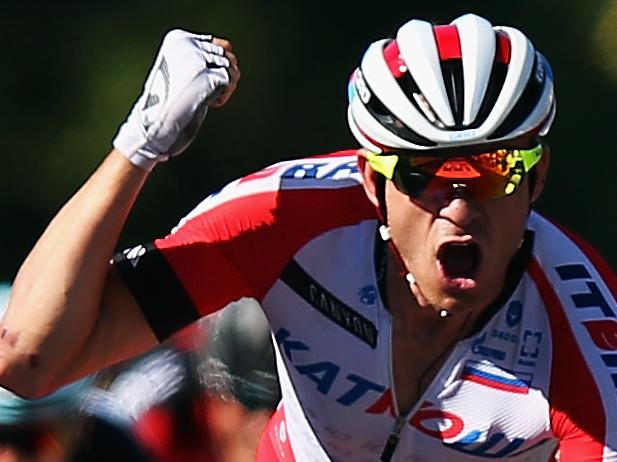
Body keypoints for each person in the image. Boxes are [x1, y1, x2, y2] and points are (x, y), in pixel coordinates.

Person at [0, 12, 615, 461]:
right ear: (373, 184)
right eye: (422, 174)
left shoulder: (582, 324)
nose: (457, 205)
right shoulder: (285, 216)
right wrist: (140, 144)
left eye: (490, 170)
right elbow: (29, 359)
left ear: (536, 181)